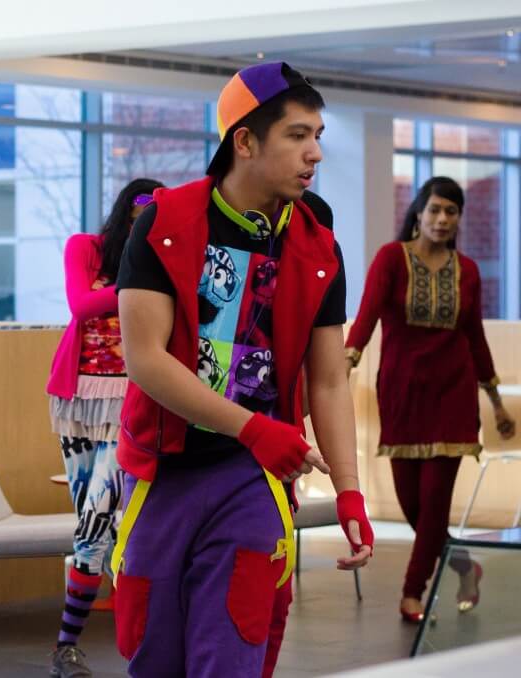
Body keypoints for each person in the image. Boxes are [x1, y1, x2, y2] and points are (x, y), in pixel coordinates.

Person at [112, 61, 373, 677]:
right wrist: (252, 426)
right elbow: (145, 358)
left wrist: (349, 489)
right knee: (154, 655)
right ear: (245, 141)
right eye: (297, 136)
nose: (315, 153)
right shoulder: (164, 223)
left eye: (318, 137)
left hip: (251, 480)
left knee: (233, 652)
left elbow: (329, 379)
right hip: (161, 473)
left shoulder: (316, 243)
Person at [345, 176, 514, 622]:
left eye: (451, 212)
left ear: (459, 218)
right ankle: (464, 565)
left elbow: (475, 337)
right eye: (435, 209)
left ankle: (412, 593)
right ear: (418, 213)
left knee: (436, 501)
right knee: (413, 507)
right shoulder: (390, 259)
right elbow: (365, 317)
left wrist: (495, 404)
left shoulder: (469, 271)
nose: (442, 219)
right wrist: (344, 364)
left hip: (452, 396)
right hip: (401, 395)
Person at [46, 178, 164, 677]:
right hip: (74, 401)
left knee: (96, 520)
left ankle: (71, 645)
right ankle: (78, 646)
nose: (149, 233)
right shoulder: (86, 249)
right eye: (141, 223)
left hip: (130, 404)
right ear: (125, 218)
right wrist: (138, 283)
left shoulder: (163, 261)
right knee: (93, 526)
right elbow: (81, 305)